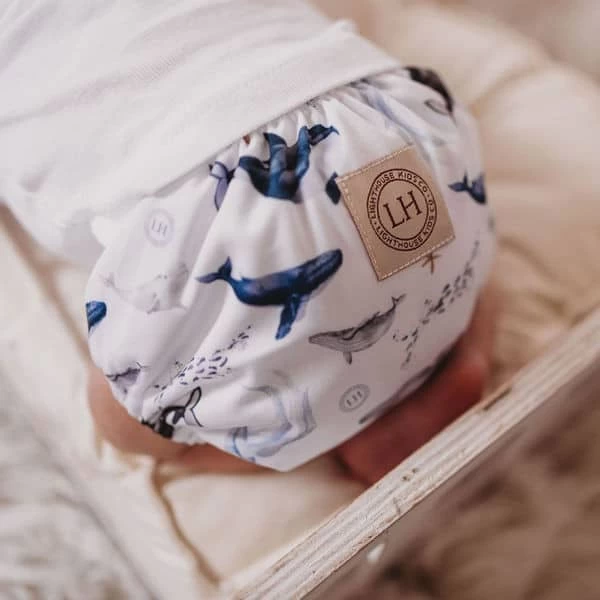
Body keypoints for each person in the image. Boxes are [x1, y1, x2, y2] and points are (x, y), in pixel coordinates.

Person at [1, 0, 496, 477]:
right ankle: (465, 336)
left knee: (120, 419)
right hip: (395, 121)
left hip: (209, 224)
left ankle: (321, 442)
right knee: (450, 249)